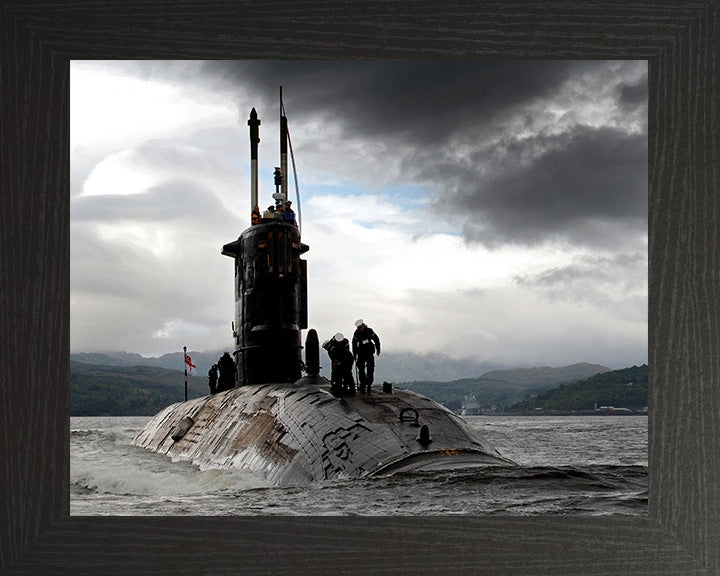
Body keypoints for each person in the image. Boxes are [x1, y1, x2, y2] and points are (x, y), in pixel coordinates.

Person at [352, 319, 381, 393]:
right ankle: (363, 384)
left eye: (361, 327)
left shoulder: (369, 331)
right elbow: (354, 344)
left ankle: (369, 384)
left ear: (363, 326)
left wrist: (378, 349)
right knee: (361, 369)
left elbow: (376, 339)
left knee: (370, 369)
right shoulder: (357, 333)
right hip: (361, 353)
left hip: (369, 352)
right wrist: (355, 354)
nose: (360, 329)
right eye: (358, 328)